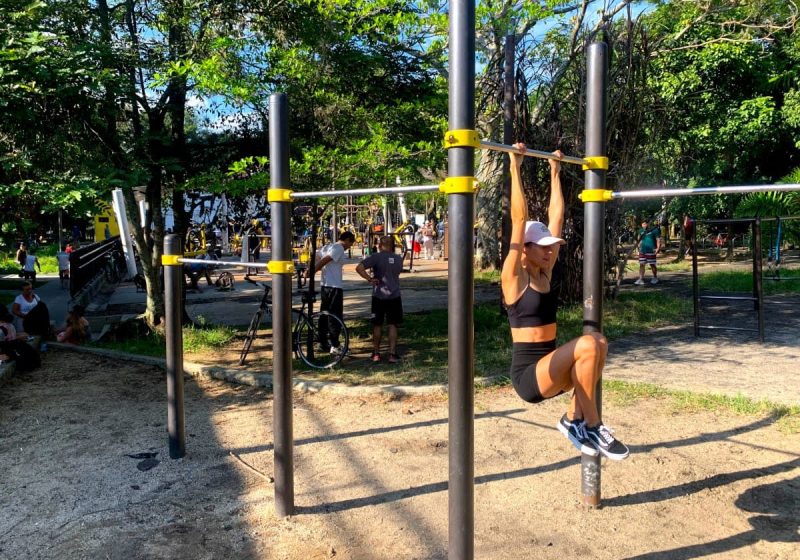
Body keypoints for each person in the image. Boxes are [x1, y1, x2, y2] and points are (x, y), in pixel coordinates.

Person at [501, 143, 629, 461]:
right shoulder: (514, 278)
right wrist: (514, 164)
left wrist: (555, 171)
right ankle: (593, 426)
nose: (549, 250)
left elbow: (556, 217)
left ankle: (572, 419)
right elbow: (519, 221)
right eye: (542, 246)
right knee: (589, 343)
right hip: (529, 376)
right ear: (525, 248)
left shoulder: (545, 271)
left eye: (551, 246)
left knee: (598, 343)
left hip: (554, 372)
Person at [356, 235, 404, 363]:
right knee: (393, 324)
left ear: (379, 245)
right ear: (392, 245)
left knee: (377, 324)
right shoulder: (398, 259)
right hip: (394, 295)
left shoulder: (375, 257)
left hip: (379, 295)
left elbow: (359, 268)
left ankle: (376, 353)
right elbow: (397, 273)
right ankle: (392, 354)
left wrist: (370, 279)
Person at [312, 231, 356, 354]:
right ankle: (335, 345)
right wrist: (314, 270)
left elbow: (317, 255)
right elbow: (326, 259)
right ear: (347, 240)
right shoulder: (339, 248)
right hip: (334, 286)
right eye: (350, 244)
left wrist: (316, 267)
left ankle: (323, 342)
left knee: (324, 314)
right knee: (335, 316)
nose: (349, 247)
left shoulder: (328, 246)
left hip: (325, 285)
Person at [635, 220, 662, 285]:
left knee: (652, 264)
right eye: (642, 224)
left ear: (648, 224)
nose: (644, 225)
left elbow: (658, 239)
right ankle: (641, 279)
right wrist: (638, 248)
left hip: (651, 250)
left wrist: (658, 248)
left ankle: (655, 277)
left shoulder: (655, 230)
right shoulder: (641, 231)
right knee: (641, 264)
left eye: (645, 224)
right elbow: (639, 240)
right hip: (642, 250)